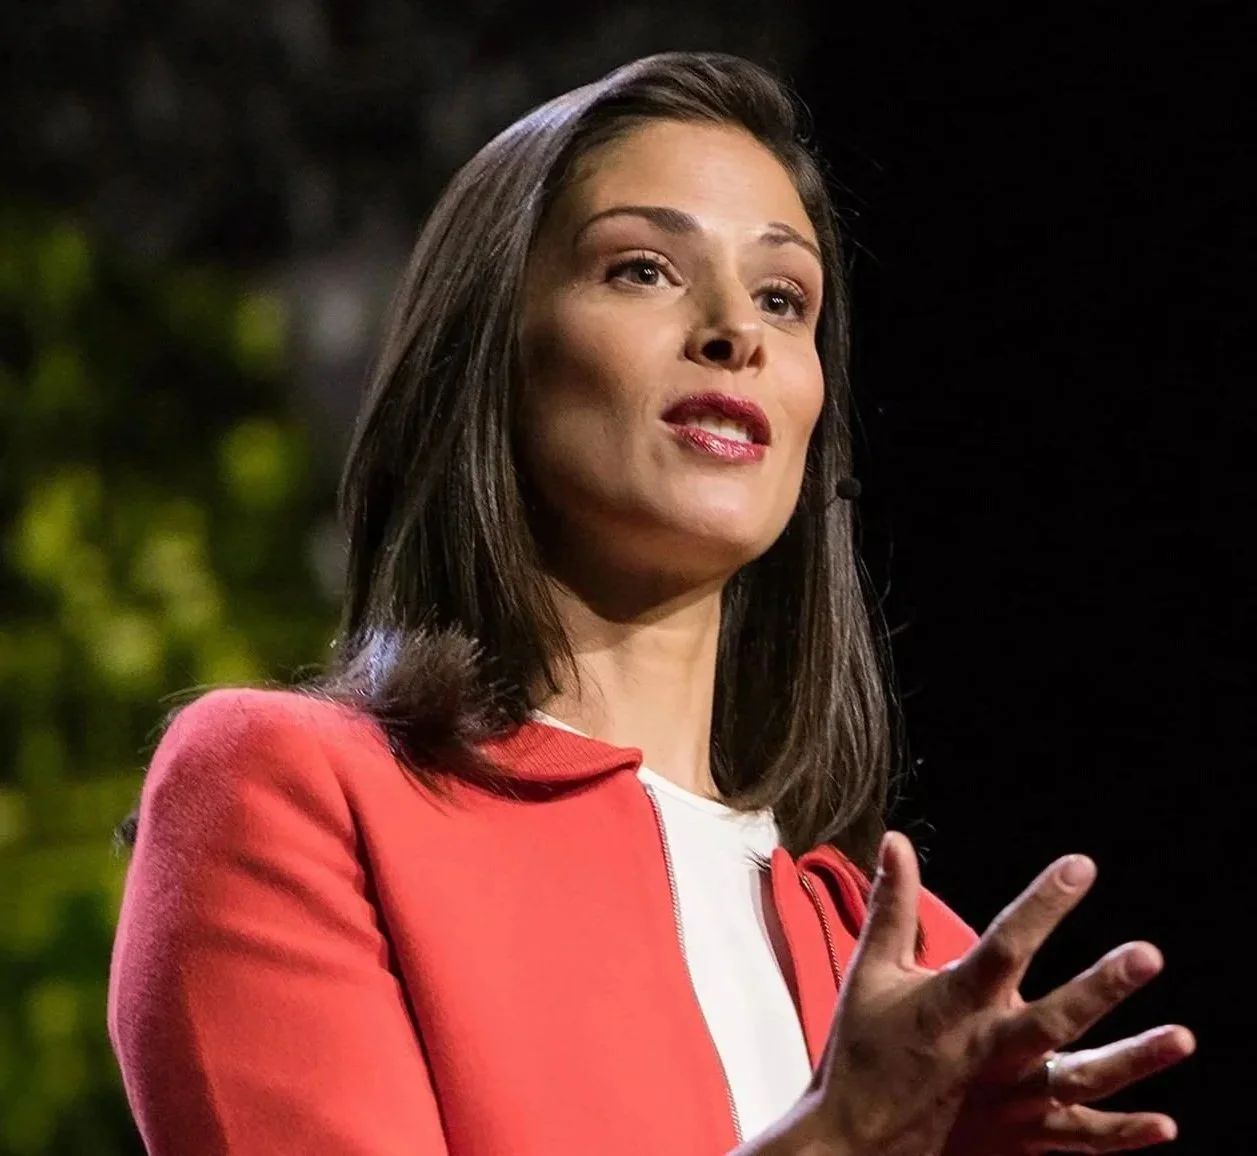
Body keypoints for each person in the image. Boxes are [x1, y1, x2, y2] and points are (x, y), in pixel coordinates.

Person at [107, 51, 1194, 1156]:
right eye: (643, 270)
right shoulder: (296, 794)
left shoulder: (924, 973)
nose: (736, 330)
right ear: (488, 355)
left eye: (783, 298)